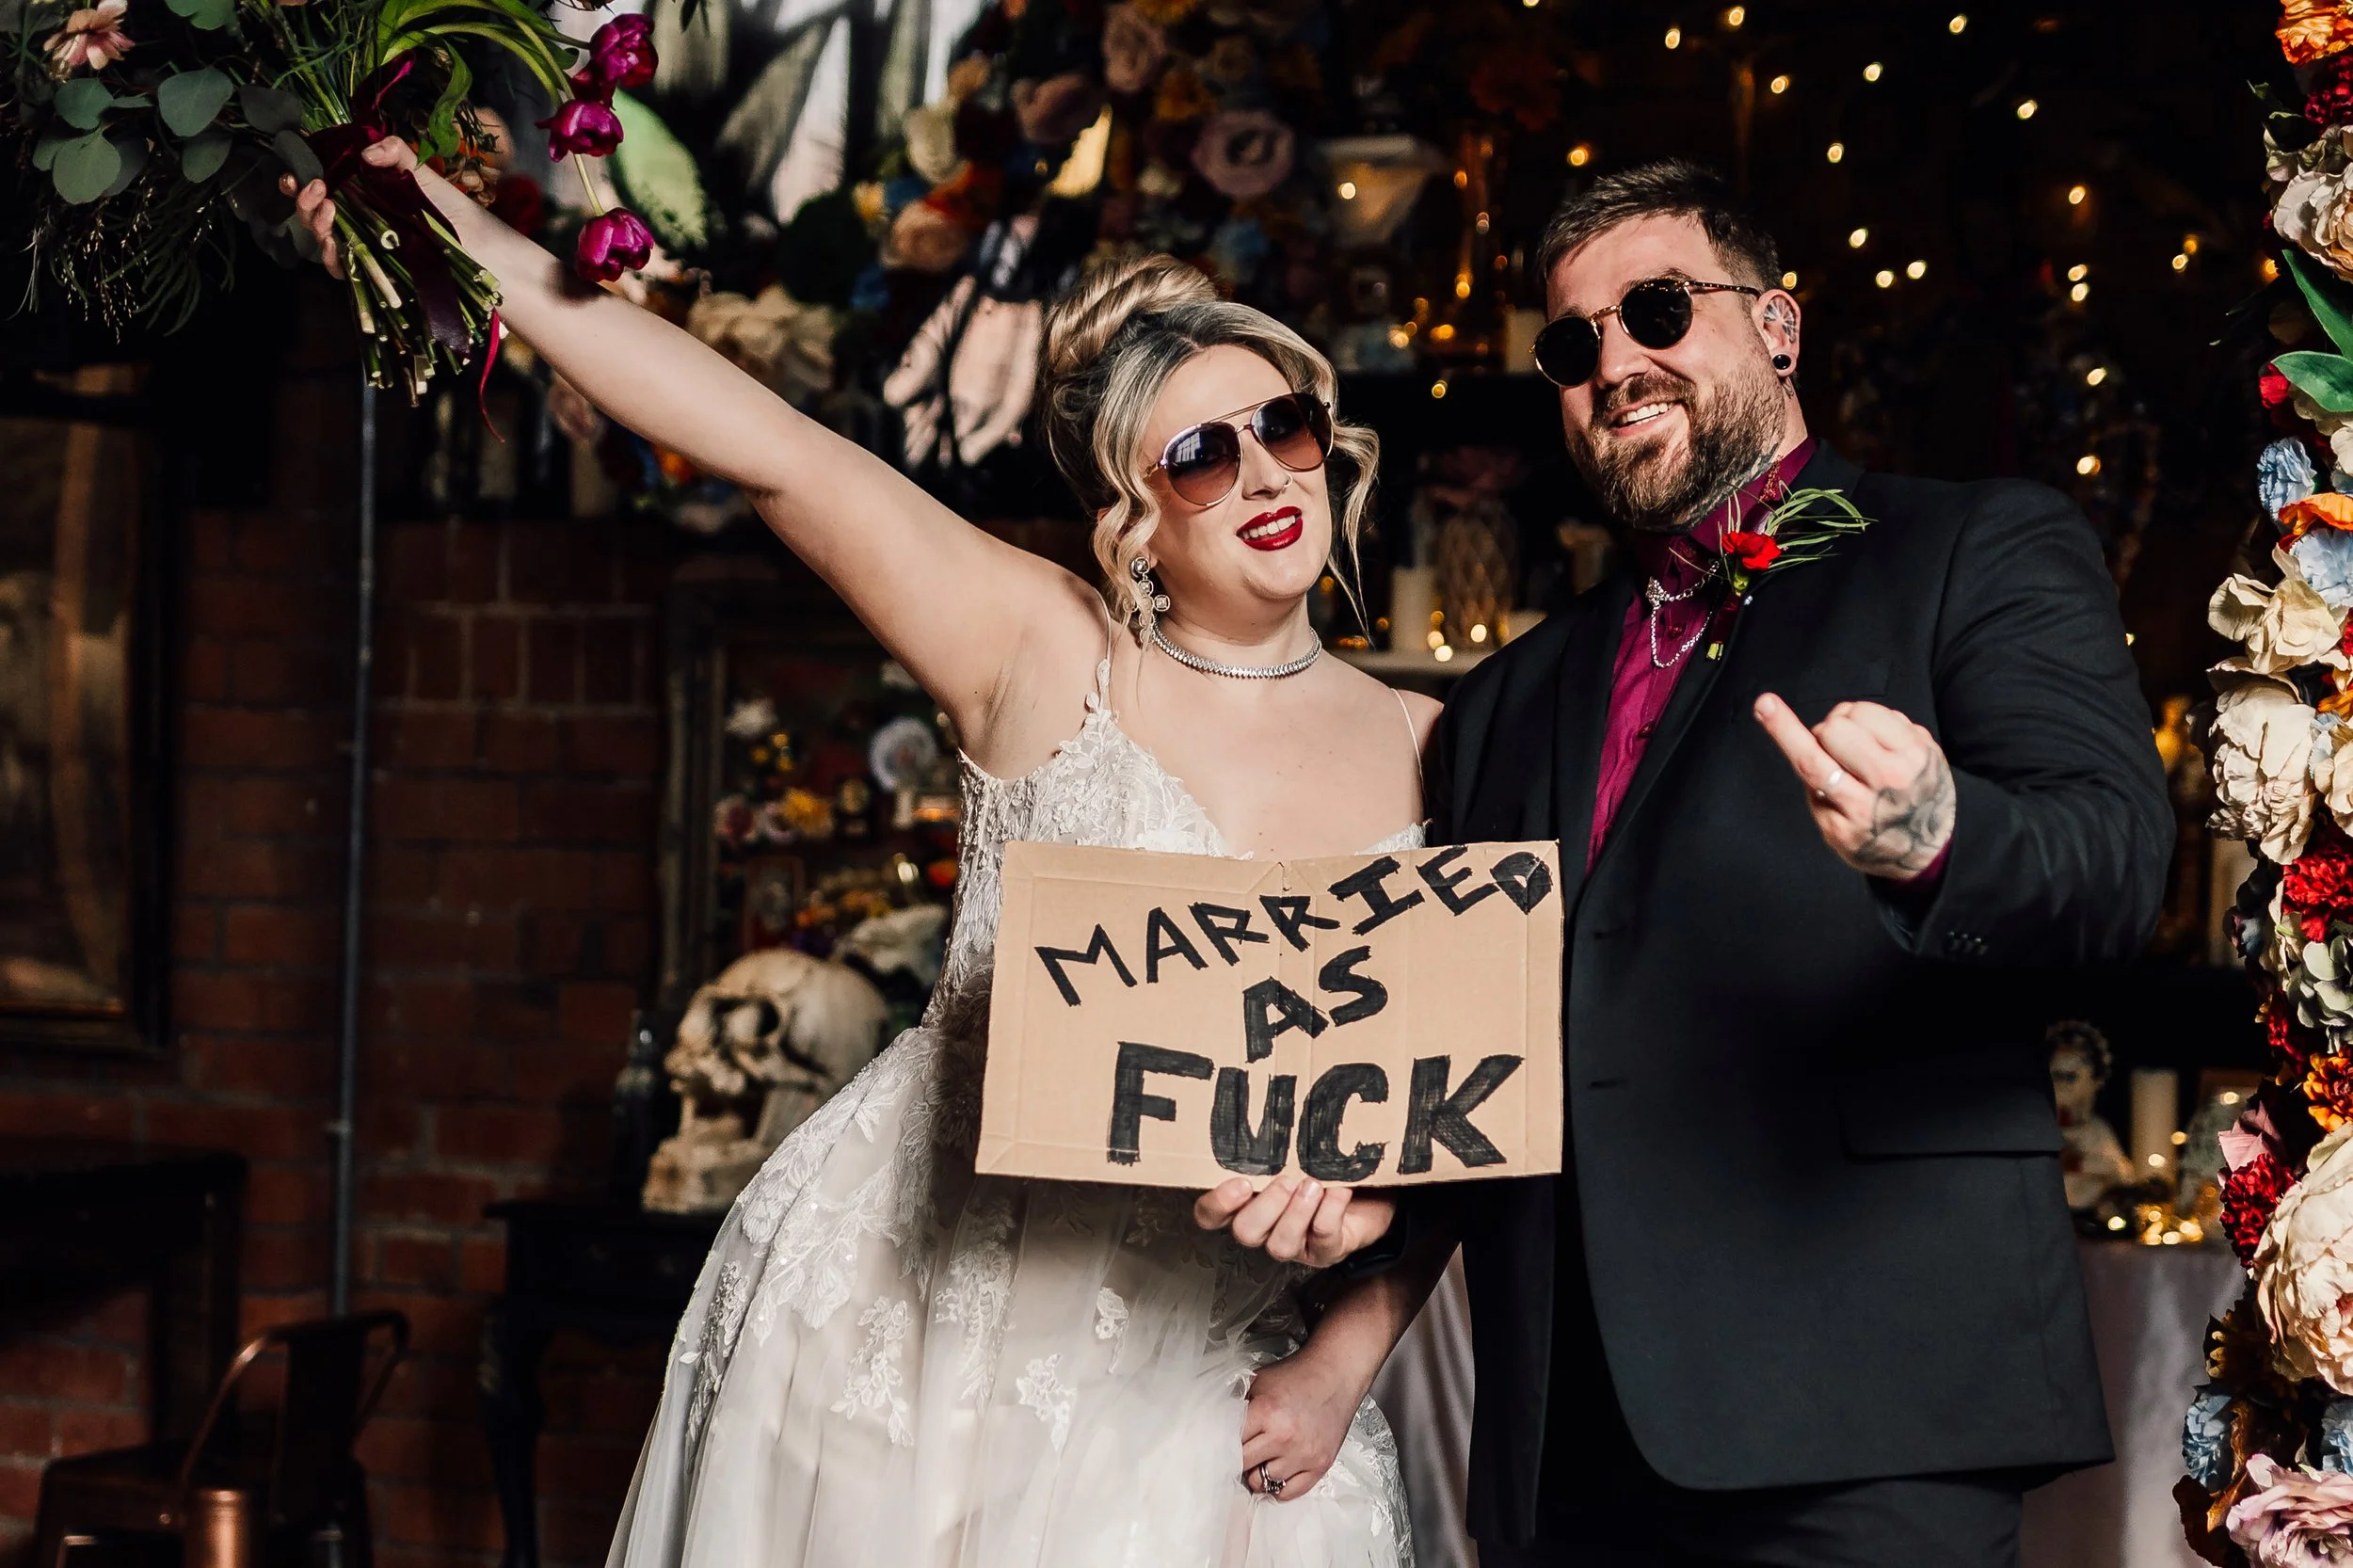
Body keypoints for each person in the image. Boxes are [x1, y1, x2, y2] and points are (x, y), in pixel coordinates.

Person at [294, 147, 1433, 1566]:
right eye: (1201, 453)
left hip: (1207, 1393)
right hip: (903, 1335)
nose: (1263, 470)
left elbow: (1491, 1131)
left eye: (1287, 424)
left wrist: (1355, 1322)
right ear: (1134, 521)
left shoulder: (1439, 744)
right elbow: (765, 444)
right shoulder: (1045, 650)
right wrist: (453, 230)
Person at [1206, 159, 2174, 1568]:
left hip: (1867, 1408)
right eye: (1574, 342)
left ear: (1777, 327)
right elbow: (1479, 1058)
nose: (1617, 361)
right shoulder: (1505, 701)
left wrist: (1937, 839)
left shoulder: (1972, 548)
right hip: (1567, 1443)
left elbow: (2116, 865)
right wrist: (1365, 1246)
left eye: (1657, 309)